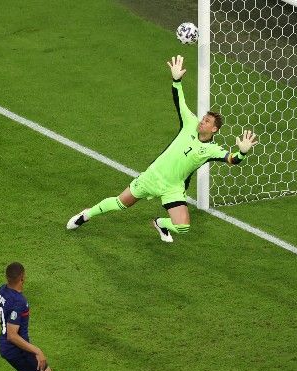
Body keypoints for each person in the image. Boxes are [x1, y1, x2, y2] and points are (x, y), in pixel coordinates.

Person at [66, 55, 259, 242]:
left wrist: (242, 151)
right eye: (203, 118)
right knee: (120, 204)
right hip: (153, 176)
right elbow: (179, 101)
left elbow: (232, 159)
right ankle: (85, 215)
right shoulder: (189, 123)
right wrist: (177, 80)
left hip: (173, 188)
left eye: (207, 121)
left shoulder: (211, 150)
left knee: (183, 227)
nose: (202, 122)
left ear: (214, 128)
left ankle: (161, 223)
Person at [0, 262, 106, 371]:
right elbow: (12, 335)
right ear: (22, 277)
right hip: (16, 349)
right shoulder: (19, 302)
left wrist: (5, 321)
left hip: (7, 345)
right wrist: (37, 350)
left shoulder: (2, 290)